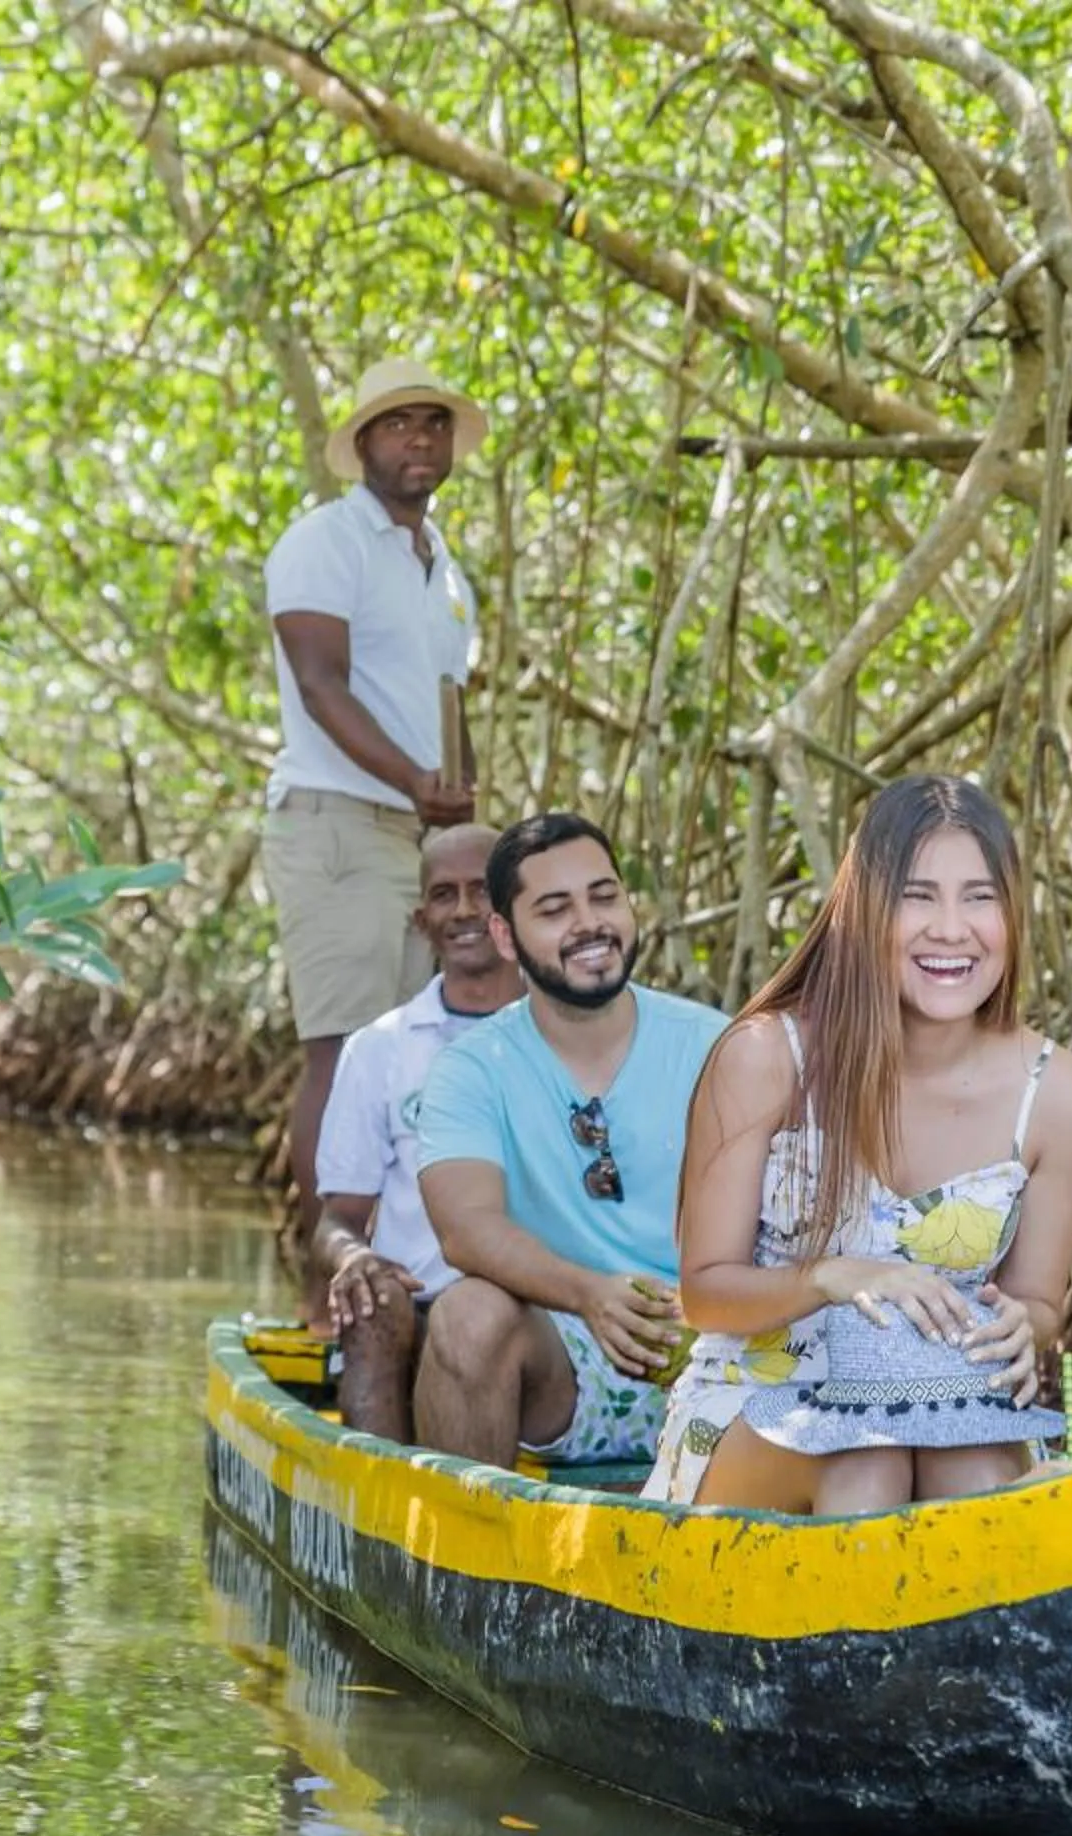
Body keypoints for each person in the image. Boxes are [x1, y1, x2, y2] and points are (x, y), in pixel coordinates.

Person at [665, 775, 1072, 1517]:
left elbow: (1040, 1304)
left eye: (979, 896)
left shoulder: (1064, 1100)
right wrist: (831, 1276)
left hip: (956, 1404)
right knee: (865, 1466)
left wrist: (1019, 1325)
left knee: (968, 1477)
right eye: (917, 895)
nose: (951, 928)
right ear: (865, 909)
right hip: (760, 1400)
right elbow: (703, 1293)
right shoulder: (764, 1058)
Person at [260, 358, 486, 1302]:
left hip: (418, 837)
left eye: (433, 426)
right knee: (345, 1053)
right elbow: (320, 685)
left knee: (422, 1055)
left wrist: (463, 801)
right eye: (398, 427)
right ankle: (331, 1291)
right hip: (338, 827)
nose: (419, 443)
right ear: (363, 444)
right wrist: (415, 782)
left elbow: (448, 700)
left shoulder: (443, 568)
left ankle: (413, 1286)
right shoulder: (325, 541)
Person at [410, 813, 724, 1470]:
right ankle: (464, 1566)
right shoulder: (473, 1068)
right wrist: (588, 1293)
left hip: (720, 1358)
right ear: (505, 934)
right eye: (555, 909)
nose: (589, 924)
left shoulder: (717, 1044)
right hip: (570, 1362)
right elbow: (465, 1231)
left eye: (604, 896)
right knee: (465, 1315)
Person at [310, 824, 520, 1442]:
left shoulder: (559, 1034)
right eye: (443, 895)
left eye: (482, 891)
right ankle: (377, 1521)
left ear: (512, 909)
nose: (463, 911)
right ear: (420, 919)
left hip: (533, 1308)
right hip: (417, 1307)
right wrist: (355, 1257)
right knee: (369, 1301)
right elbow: (336, 1219)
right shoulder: (378, 1048)